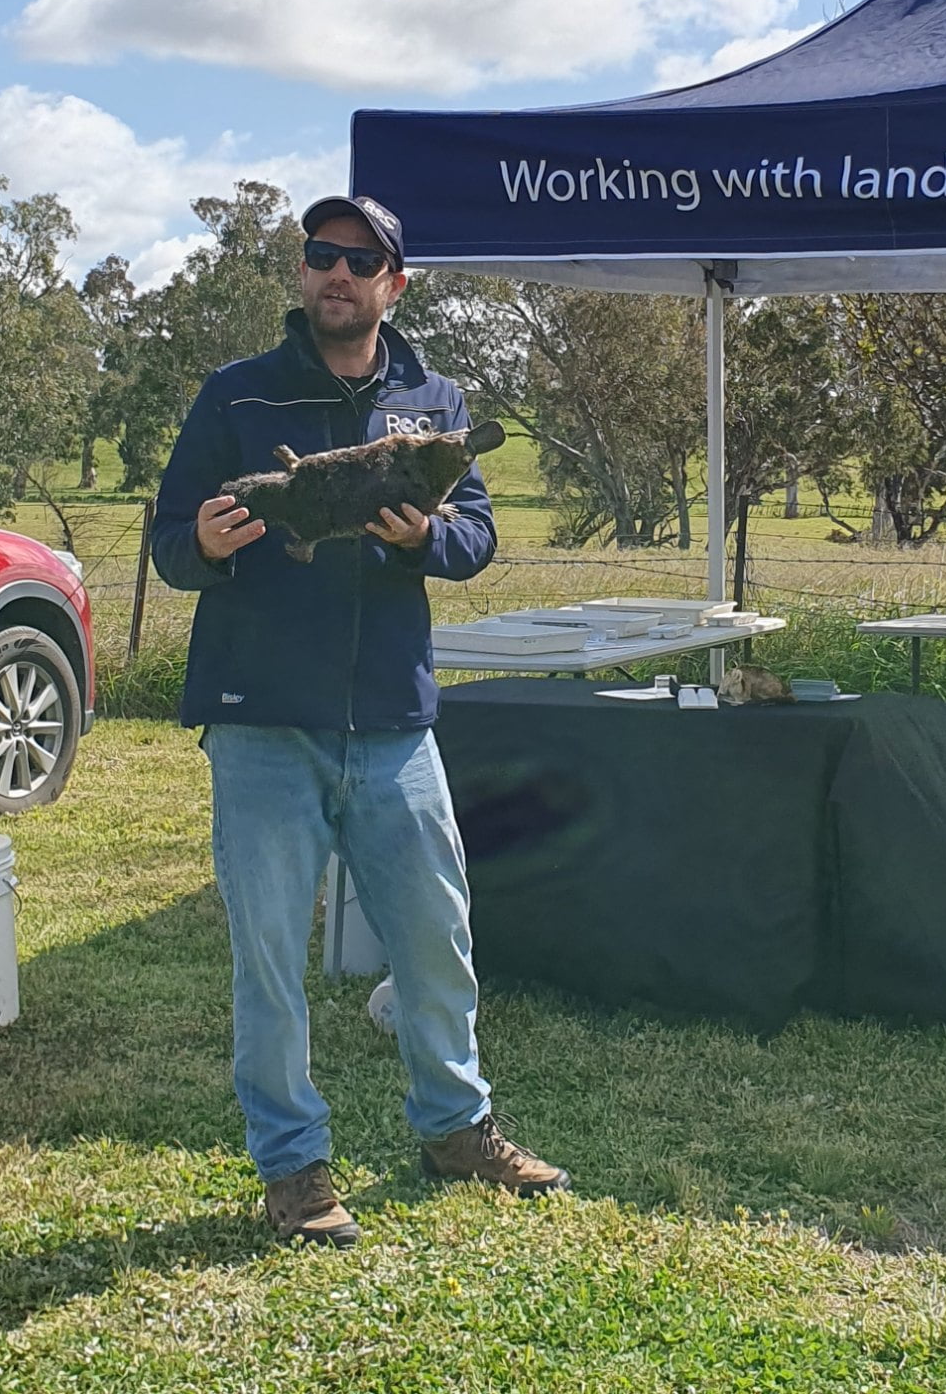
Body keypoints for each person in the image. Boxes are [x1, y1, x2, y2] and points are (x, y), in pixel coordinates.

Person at [152, 194, 571, 1248]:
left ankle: (456, 1126)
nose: (336, 271)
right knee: (267, 957)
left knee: (437, 935)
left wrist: (422, 538)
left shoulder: (435, 402)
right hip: (261, 719)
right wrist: (202, 541)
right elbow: (166, 542)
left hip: (393, 719)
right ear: (303, 272)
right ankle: (293, 1166)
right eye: (320, 254)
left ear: (395, 280)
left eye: (360, 257)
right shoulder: (236, 397)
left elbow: (475, 539)